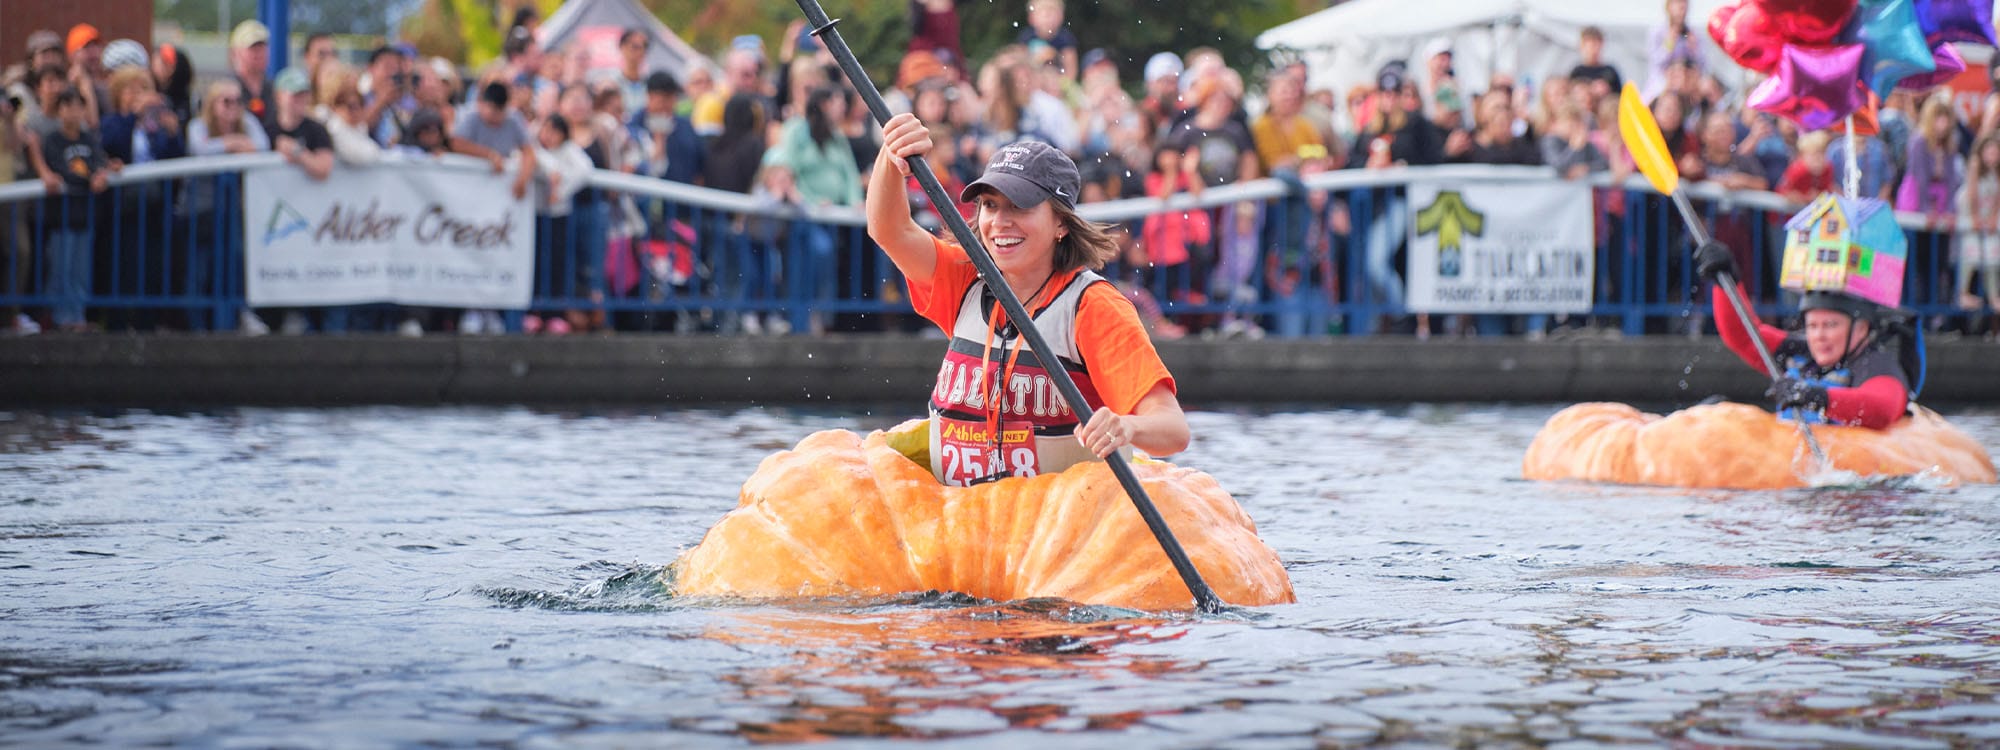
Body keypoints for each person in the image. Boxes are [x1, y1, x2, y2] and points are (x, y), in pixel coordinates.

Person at [868, 113, 1189, 486]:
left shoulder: (1093, 306)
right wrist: (892, 157)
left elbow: (1172, 429)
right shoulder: (967, 276)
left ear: (1061, 224)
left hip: (1059, 525)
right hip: (959, 518)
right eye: (989, 205)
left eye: (1019, 207)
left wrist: (1126, 426)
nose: (1000, 222)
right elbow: (888, 229)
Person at [1694, 242, 1912, 429]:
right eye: (1812, 326)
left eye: (1831, 325)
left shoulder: (1876, 363)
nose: (1819, 336)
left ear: (1862, 328)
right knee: (1715, 407)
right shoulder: (1799, 352)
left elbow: (1883, 407)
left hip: (1852, 461)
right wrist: (1727, 282)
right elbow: (1743, 337)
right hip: (1794, 452)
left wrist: (1815, 397)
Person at [38, 88, 114, 333]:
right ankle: (61, 317)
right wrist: (91, 177)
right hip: (61, 217)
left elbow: (100, 160)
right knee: (62, 267)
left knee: (81, 269)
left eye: (77, 106)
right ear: (58, 111)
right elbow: (61, 169)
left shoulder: (88, 138)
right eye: (67, 106)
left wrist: (105, 170)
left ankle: (77, 316)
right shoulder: (53, 140)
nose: (73, 112)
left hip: (85, 216)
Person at [229, 20, 274, 131]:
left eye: (262, 47)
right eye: (252, 48)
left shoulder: (275, 89)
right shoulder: (227, 90)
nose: (258, 53)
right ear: (236, 52)